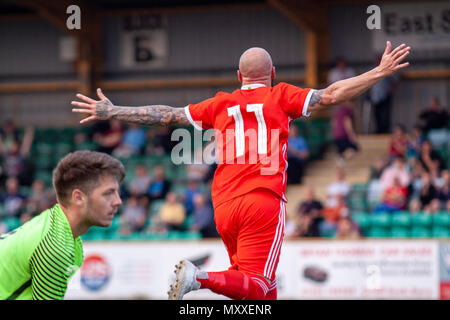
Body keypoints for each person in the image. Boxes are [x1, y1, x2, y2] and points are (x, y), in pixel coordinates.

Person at [72, 41, 411, 300]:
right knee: (260, 282)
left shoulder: (221, 103)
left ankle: (204, 279)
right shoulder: (281, 96)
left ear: (239, 77)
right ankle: (198, 278)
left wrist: (112, 110)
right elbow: (333, 94)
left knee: (259, 289)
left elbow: (167, 115)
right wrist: (379, 72)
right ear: (273, 72)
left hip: (223, 207)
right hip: (261, 203)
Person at [0, 150, 124, 300]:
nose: (118, 201)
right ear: (78, 198)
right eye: (108, 193)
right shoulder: (55, 247)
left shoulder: (58, 227)